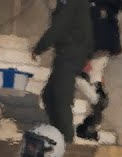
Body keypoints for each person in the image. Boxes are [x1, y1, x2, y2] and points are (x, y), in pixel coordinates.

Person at [32, 0, 94, 144]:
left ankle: (66, 138)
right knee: (49, 95)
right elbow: (87, 26)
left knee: (61, 99)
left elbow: (59, 26)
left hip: (69, 54)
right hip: (72, 53)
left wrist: (40, 47)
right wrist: (88, 55)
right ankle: (58, 133)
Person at [76, 0, 122, 141]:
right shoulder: (111, 5)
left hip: (95, 37)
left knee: (73, 75)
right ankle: (93, 127)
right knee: (96, 77)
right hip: (110, 38)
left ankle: (97, 100)